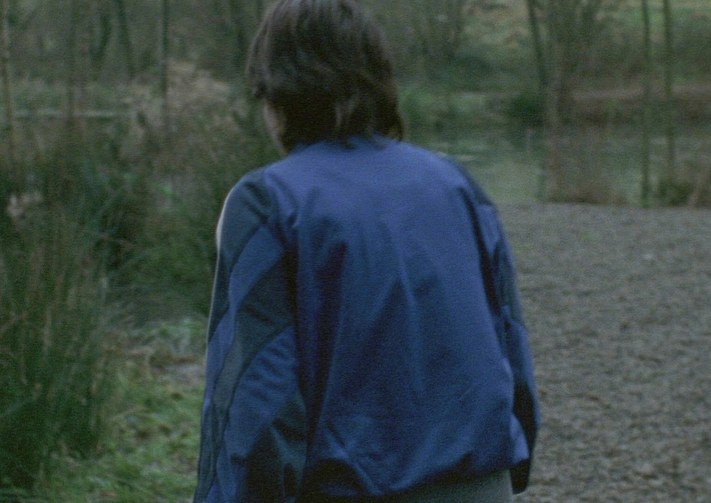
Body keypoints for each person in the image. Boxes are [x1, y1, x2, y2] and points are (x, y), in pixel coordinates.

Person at [193, 0, 539, 501]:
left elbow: (255, 401)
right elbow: (509, 347)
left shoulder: (267, 203)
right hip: (483, 486)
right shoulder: (457, 185)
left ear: (277, 93)